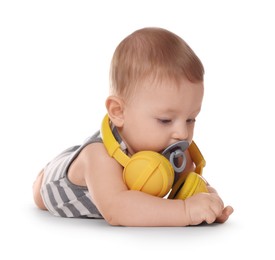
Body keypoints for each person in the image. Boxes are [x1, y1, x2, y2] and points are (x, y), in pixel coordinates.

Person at [33, 27, 234, 226]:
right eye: (165, 120)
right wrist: (185, 211)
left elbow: (190, 183)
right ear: (118, 112)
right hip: (56, 182)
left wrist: (210, 202)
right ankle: (41, 176)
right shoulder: (99, 156)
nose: (182, 133)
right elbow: (117, 209)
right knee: (39, 193)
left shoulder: (175, 151)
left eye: (191, 119)